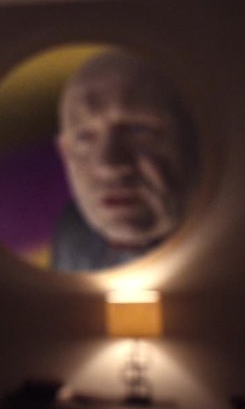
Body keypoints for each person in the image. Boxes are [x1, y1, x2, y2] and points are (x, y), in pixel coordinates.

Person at [52, 49, 198, 272]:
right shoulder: (72, 233)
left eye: (139, 129)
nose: (108, 166)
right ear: (65, 153)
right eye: (84, 137)